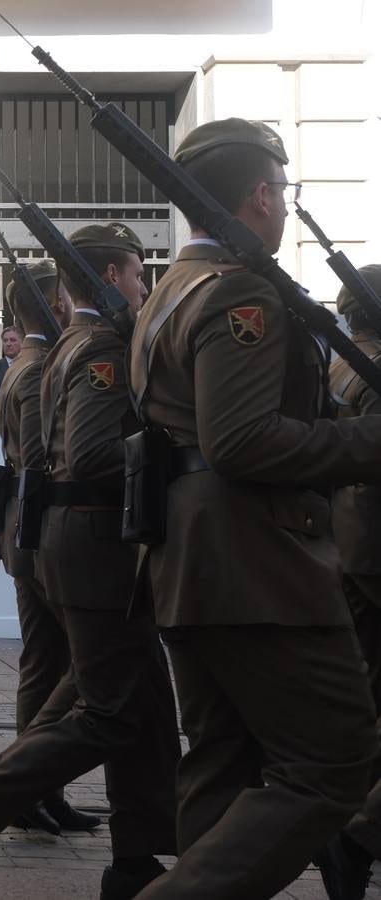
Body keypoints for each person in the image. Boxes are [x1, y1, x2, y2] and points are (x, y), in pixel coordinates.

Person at [124, 119, 378, 899]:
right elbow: (240, 441)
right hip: (256, 565)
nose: (284, 202)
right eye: (283, 189)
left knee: (224, 763)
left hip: (195, 562)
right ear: (261, 195)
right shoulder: (239, 291)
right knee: (336, 762)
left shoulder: (173, 288)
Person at [0, 221, 180, 900]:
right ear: (113, 277)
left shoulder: (74, 347)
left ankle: (136, 856)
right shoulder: (98, 350)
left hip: (84, 539)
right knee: (108, 706)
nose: (145, 284)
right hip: (94, 542)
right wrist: (170, 454)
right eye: (138, 272)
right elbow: (85, 455)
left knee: (142, 703)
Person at [0, 260, 97, 836]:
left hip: (21, 530)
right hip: (38, 531)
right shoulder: (36, 369)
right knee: (66, 665)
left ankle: (38, 789)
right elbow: (38, 460)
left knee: (45, 663)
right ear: (53, 307)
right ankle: (27, 785)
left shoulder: (22, 364)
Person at [321, 263, 381, 898]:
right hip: (376, 542)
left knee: (367, 699)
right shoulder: (374, 365)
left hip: (344, 541)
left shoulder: (339, 360)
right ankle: (360, 832)